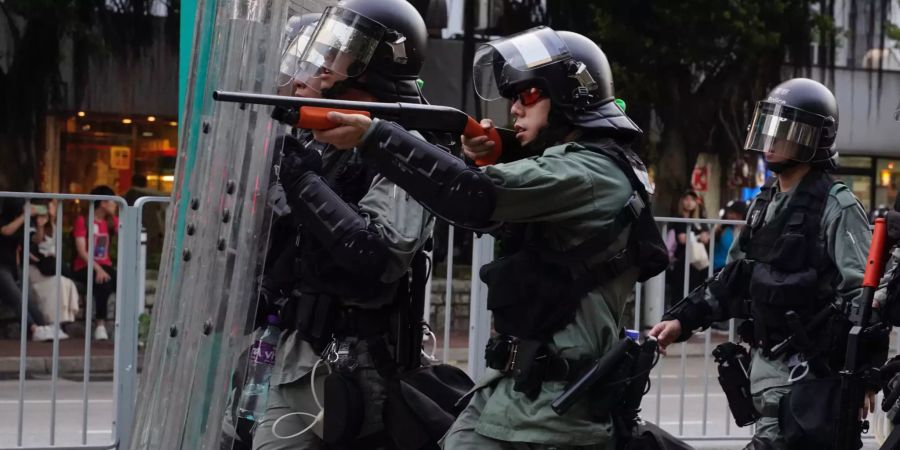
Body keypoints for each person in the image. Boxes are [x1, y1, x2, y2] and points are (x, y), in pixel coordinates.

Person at [307, 26, 678, 450]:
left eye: (527, 95)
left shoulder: (592, 172)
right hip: (510, 395)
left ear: (569, 93)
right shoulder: (577, 167)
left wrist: (373, 135)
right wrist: (496, 150)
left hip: (550, 411)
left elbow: (473, 196)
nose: (514, 109)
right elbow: (486, 200)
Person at [251, 2, 452, 449]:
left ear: (374, 62)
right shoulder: (320, 140)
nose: (322, 65)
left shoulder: (406, 148)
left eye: (339, 50)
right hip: (294, 355)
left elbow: (377, 256)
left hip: (356, 368)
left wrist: (303, 182)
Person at [650, 78, 886, 450]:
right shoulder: (764, 204)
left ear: (813, 140)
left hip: (810, 381)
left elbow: (865, 297)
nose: (771, 140)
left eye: (785, 130)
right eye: (770, 127)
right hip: (766, 378)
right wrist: (680, 321)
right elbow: (734, 279)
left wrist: (867, 378)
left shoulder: (837, 206)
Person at [0, 197, 64, 341]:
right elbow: (6, 231)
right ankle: (33, 328)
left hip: (14, 266)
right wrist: (24, 216)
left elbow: (36, 240)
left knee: (29, 298)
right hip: (1, 266)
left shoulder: (23, 222)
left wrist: (41, 224)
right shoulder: (5, 220)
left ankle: (44, 326)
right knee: (17, 298)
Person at [72, 185, 119, 341]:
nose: (115, 204)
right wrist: (97, 269)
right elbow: (81, 250)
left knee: (121, 281)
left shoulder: (109, 222)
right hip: (84, 266)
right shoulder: (83, 220)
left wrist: (114, 217)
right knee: (103, 283)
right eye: (112, 201)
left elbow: (124, 235)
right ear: (104, 203)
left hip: (105, 265)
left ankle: (124, 324)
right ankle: (100, 325)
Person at [28, 200, 80, 326]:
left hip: (50, 267)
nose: (54, 209)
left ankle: (60, 322)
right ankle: (51, 321)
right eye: (52, 206)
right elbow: (36, 240)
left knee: (66, 282)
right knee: (60, 282)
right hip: (37, 269)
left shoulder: (54, 226)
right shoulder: (32, 224)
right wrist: (40, 225)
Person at [666, 190, 710, 306]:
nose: (689, 202)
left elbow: (706, 237)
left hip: (696, 263)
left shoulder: (698, 220)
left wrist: (703, 236)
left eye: (692, 200)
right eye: (686, 199)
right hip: (681, 262)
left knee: (694, 292)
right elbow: (682, 239)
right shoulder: (678, 219)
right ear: (681, 201)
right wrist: (700, 237)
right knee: (679, 295)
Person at [713, 200, 747, 272]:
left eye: (732, 212)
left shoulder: (746, 229)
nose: (729, 215)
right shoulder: (723, 228)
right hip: (720, 267)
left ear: (739, 214)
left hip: (735, 268)